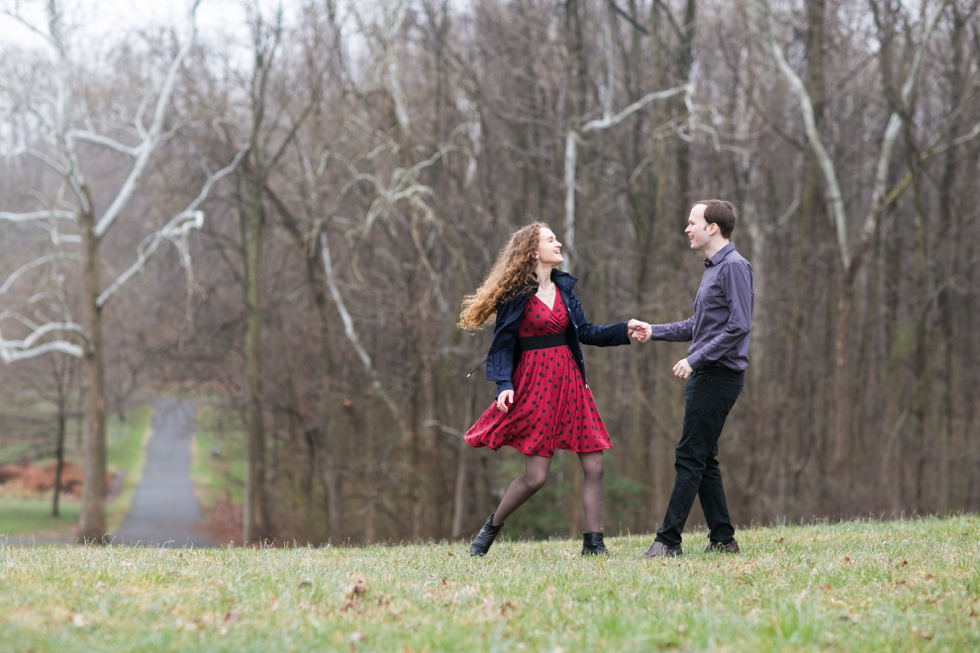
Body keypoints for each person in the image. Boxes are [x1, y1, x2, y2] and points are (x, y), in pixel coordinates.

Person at [459, 222, 636, 557]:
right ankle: (490, 529)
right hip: (535, 384)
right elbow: (501, 346)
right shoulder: (515, 296)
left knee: (595, 464)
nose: (558, 244)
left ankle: (594, 544)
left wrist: (625, 329)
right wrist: (504, 385)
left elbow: (586, 331)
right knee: (536, 476)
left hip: (570, 383)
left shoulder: (565, 290)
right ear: (532, 250)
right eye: (550, 239)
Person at [629, 199, 753, 558]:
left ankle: (668, 541)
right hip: (708, 372)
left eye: (692, 222)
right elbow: (700, 326)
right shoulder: (714, 268)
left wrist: (695, 359)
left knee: (689, 454)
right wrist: (654, 330)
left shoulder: (734, 267)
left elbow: (739, 326)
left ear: (712, 228)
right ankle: (723, 538)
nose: (687, 229)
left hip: (719, 375)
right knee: (703, 457)